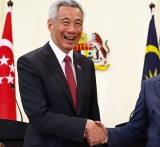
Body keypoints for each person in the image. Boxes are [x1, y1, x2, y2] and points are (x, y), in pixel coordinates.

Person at [17, 0, 106, 146]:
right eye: (65, 22)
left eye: (78, 23)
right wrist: (84, 125)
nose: (72, 30)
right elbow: (39, 115)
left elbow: (93, 113)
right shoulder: (30, 62)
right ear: (50, 25)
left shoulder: (86, 64)